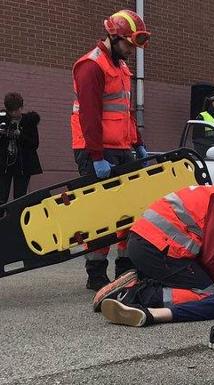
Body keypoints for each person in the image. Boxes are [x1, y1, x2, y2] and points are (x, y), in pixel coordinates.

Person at [91, 167, 214, 313]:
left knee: (203, 282)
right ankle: (132, 295)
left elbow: (206, 255)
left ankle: (139, 280)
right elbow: (212, 258)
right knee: (206, 294)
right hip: (154, 249)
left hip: (149, 245)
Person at [71, 10, 151, 290]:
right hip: (95, 149)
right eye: (128, 44)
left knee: (130, 210)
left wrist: (138, 143)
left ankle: (125, 267)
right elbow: (89, 117)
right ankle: (95, 273)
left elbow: (125, 111)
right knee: (101, 216)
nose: (130, 51)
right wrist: (96, 157)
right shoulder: (91, 66)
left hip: (120, 147)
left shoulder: (120, 67)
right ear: (113, 36)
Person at [0, 92, 42, 205]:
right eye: (11, 111)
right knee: (2, 197)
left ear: (21, 107)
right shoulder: (2, 120)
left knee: (19, 198)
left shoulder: (29, 121)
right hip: (5, 164)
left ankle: (18, 220)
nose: (14, 113)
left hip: (22, 165)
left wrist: (20, 135)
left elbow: (34, 144)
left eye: (16, 110)